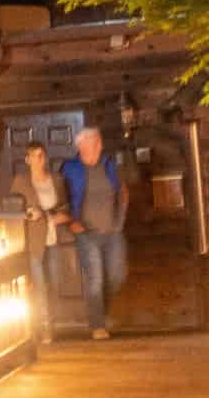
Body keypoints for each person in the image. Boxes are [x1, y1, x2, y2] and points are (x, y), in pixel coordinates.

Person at [60, 126, 129, 339]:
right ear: (81, 146)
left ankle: (102, 311)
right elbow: (61, 196)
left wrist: (120, 219)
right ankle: (97, 325)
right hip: (87, 233)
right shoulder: (70, 168)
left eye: (99, 142)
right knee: (95, 278)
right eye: (95, 142)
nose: (100, 146)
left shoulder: (108, 164)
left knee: (117, 275)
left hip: (112, 231)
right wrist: (71, 221)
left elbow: (123, 190)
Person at [8, 140, 70, 333]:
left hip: (53, 238)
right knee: (39, 285)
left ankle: (53, 320)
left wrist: (62, 216)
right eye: (34, 156)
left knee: (54, 282)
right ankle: (45, 327)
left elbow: (65, 206)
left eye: (42, 155)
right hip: (34, 240)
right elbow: (13, 209)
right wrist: (28, 213)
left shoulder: (56, 180)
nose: (39, 160)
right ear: (27, 159)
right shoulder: (21, 181)